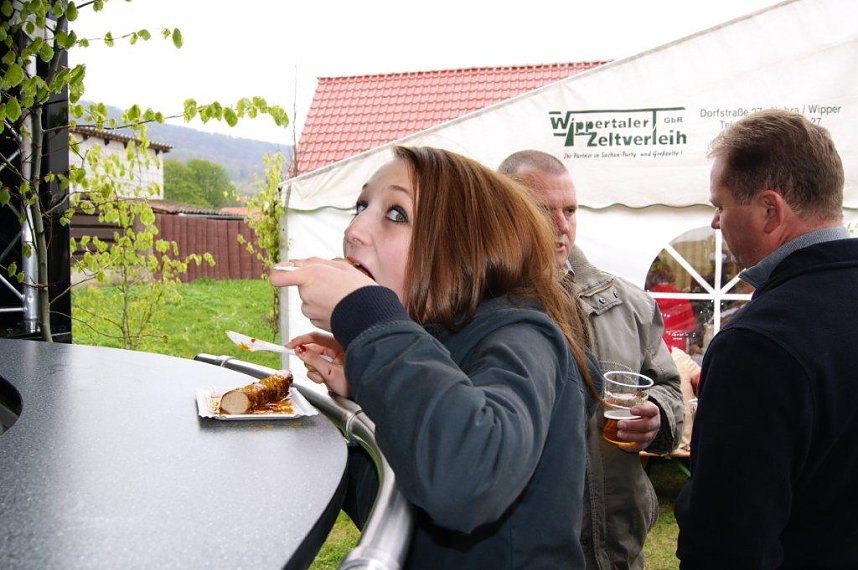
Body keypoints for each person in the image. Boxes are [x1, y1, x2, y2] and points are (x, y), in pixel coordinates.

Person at [272, 145, 600, 568]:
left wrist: (372, 322)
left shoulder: (524, 335)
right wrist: (366, 387)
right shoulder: (436, 343)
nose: (354, 229)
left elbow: (465, 479)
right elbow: (399, 500)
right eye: (361, 205)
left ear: (461, 247)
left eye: (396, 214)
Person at [675, 109, 858, 568]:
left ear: (770, 211)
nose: (715, 224)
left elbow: (729, 541)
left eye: (720, 205)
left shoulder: (759, 342)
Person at [498, 150, 684, 570]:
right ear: (504, 211)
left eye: (570, 210)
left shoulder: (627, 304)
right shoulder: (472, 310)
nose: (563, 227)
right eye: (544, 211)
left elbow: (669, 386)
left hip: (617, 550)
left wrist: (657, 414)